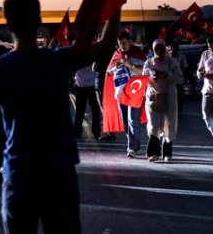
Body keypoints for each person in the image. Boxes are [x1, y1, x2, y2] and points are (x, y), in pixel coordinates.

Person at [0, 0, 119, 234]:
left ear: (7, 25)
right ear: (39, 22)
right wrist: (115, 1)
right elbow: (105, 46)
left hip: (19, 173)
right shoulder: (57, 60)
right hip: (59, 173)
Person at [106, 30, 147, 158]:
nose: (122, 46)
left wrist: (129, 65)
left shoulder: (139, 54)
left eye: (124, 43)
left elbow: (144, 72)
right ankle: (135, 143)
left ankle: (131, 148)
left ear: (130, 41)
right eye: (119, 44)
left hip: (136, 92)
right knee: (125, 122)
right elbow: (108, 73)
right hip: (121, 93)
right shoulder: (117, 54)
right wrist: (116, 67)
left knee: (132, 120)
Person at [143, 39, 184, 162]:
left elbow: (181, 79)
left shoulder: (172, 63)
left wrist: (168, 75)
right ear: (153, 50)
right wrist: (152, 76)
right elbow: (143, 79)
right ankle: (154, 153)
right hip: (153, 98)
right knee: (153, 125)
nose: (159, 51)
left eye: (162, 48)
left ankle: (167, 153)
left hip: (169, 98)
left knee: (169, 124)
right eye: (157, 49)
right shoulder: (148, 63)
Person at [72, 63, 102, 140]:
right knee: (95, 110)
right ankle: (96, 133)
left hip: (81, 86)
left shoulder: (78, 59)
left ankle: (77, 132)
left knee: (80, 111)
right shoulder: (93, 58)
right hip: (91, 86)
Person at [168, 41, 188, 114]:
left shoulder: (181, 56)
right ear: (170, 48)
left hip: (178, 78)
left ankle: (179, 109)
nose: (174, 49)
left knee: (179, 94)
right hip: (169, 79)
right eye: (173, 47)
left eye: (176, 47)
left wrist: (183, 77)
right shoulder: (167, 56)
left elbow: (185, 67)